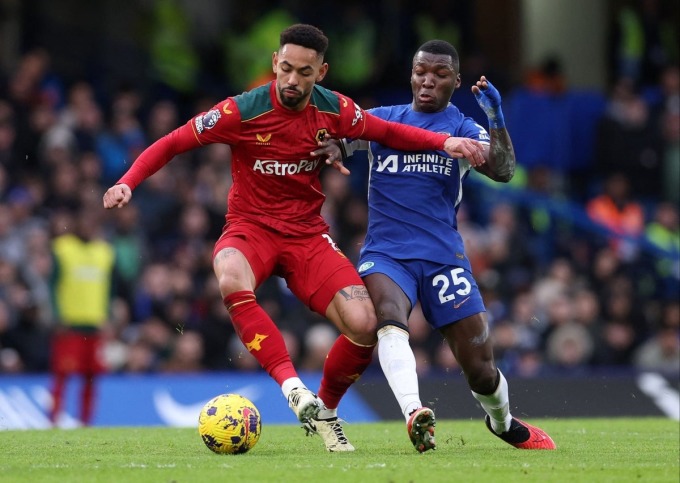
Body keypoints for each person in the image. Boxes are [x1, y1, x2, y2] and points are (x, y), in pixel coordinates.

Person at [103, 24, 486, 452]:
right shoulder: (241, 111)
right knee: (230, 273)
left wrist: (445, 141)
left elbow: (390, 133)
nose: (292, 80)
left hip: (307, 236)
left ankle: (325, 413)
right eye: (285, 68)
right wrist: (128, 183)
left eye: (304, 72)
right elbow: (173, 142)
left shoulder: (336, 109)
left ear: (320, 72)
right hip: (252, 229)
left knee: (365, 324)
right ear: (274, 64)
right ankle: (291, 387)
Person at [315, 39, 556, 452]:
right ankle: (414, 413)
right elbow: (340, 137)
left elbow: (503, 169)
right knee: (387, 318)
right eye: (421, 72)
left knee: (480, 368)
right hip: (387, 255)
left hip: (444, 259)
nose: (428, 81)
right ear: (411, 75)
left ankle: (501, 422)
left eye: (440, 75)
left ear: (456, 81)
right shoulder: (382, 121)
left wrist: (496, 117)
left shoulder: (462, 127)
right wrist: (334, 146)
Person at [49, 206, 115, 426]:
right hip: (70, 324)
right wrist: (57, 314)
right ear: (76, 225)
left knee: (92, 377)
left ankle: (86, 422)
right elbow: (51, 285)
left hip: (95, 324)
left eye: (92, 224)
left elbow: (109, 288)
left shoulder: (104, 252)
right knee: (62, 375)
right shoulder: (62, 249)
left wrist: (108, 315)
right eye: (84, 223)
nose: (88, 228)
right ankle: (54, 420)